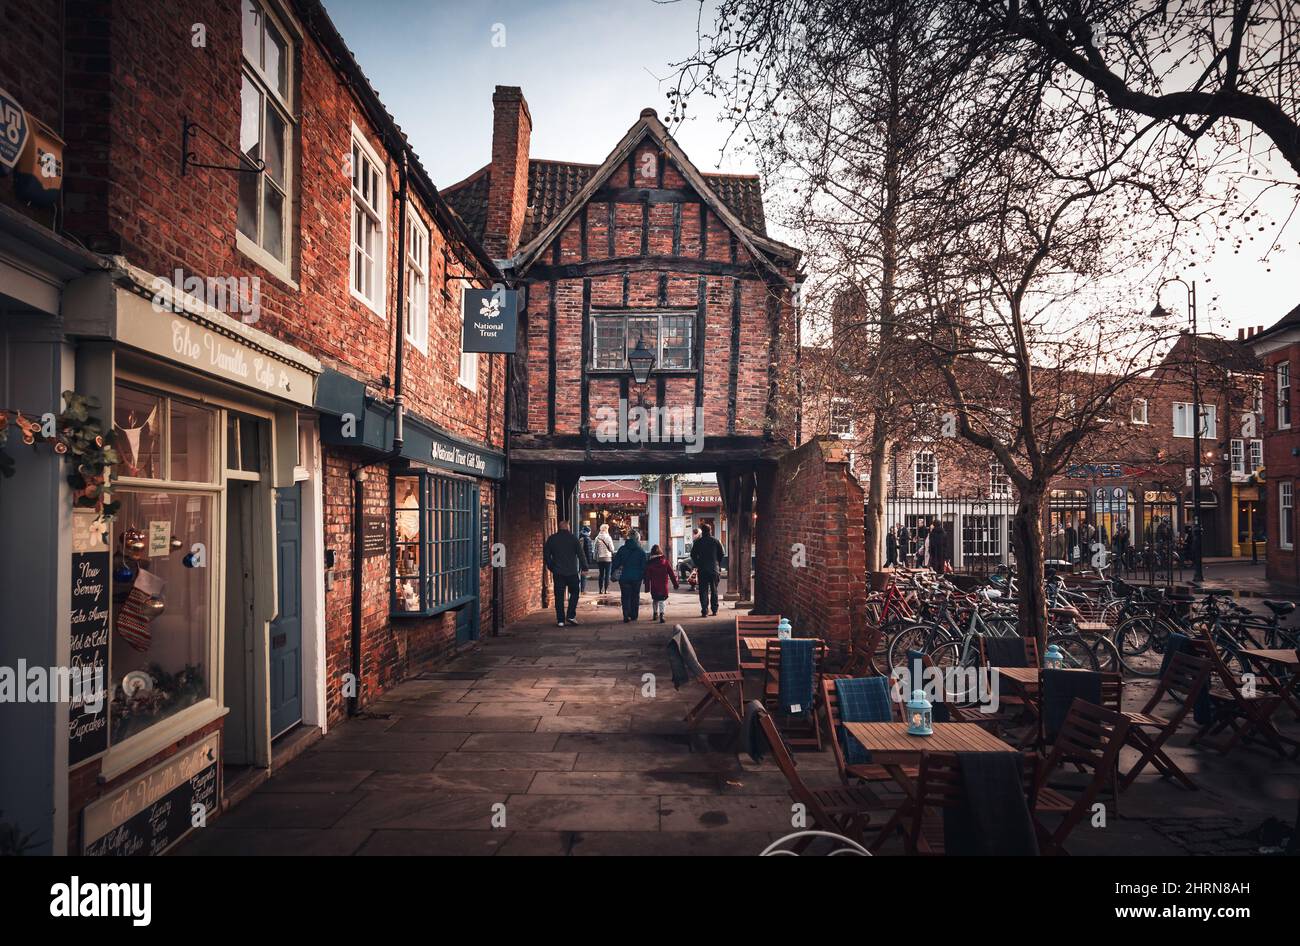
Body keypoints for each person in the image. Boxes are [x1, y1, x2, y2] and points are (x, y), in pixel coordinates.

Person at [543, 520, 588, 627]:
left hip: (558, 572)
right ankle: (571, 615)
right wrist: (584, 567)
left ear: (559, 527)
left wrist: (551, 567)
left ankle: (560, 620)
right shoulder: (573, 539)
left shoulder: (552, 539)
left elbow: (546, 555)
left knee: (558, 596)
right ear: (568, 528)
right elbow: (581, 554)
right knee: (575, 592)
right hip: (572, 572)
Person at [611, 529, 648, 622]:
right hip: (636, 578)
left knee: (625, 596)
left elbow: (615, 563)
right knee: (635, 596)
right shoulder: (641, 551)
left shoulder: (622, 550)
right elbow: (644, 566)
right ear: (637, 539)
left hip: (624, 577)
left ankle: (626, 615)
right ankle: (634, 615)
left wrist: (612, 573)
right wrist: (643, 576)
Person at [690, 522, 725, 616]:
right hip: (714, 569)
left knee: (703, 590)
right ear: (710, 531)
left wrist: (698, 563)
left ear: (702, 531)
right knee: (714, 590)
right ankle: (714, 610)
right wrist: (718, 564)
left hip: (702, 569)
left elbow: (692, 554)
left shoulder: (698, 542)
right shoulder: (716, 541)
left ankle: (704, 610)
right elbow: (722, 554)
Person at [643, 543, 679, 623]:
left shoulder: (650, 564)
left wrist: (647, 588)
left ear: (652, 553)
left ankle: (655, 614)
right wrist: (675, 584)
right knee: (662, 601)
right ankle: (662, 615)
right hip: (663, 587)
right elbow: (672, 574)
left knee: (655, 600)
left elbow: (647, 577)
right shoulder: (665, 562)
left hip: (654, 587)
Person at [593, 522, 615, 594]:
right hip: (607, 558)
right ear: (606, 529)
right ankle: (606, 590)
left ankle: (600, 590)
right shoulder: (608, 537)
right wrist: (612, 551)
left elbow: (595, 549)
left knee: (601, 574)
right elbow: (612, 549)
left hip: (600, 558)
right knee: (607, 574)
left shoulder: (597, 538)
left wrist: (595, 557)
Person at [577, 524, 595, 594]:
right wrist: (589, 561)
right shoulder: (587, 539)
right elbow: (588, 551)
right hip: (584, 559)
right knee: (584, 574)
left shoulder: (579, 537)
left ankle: (580, 588)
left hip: (579, 559)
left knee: (579, 573)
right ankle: (582, 589)